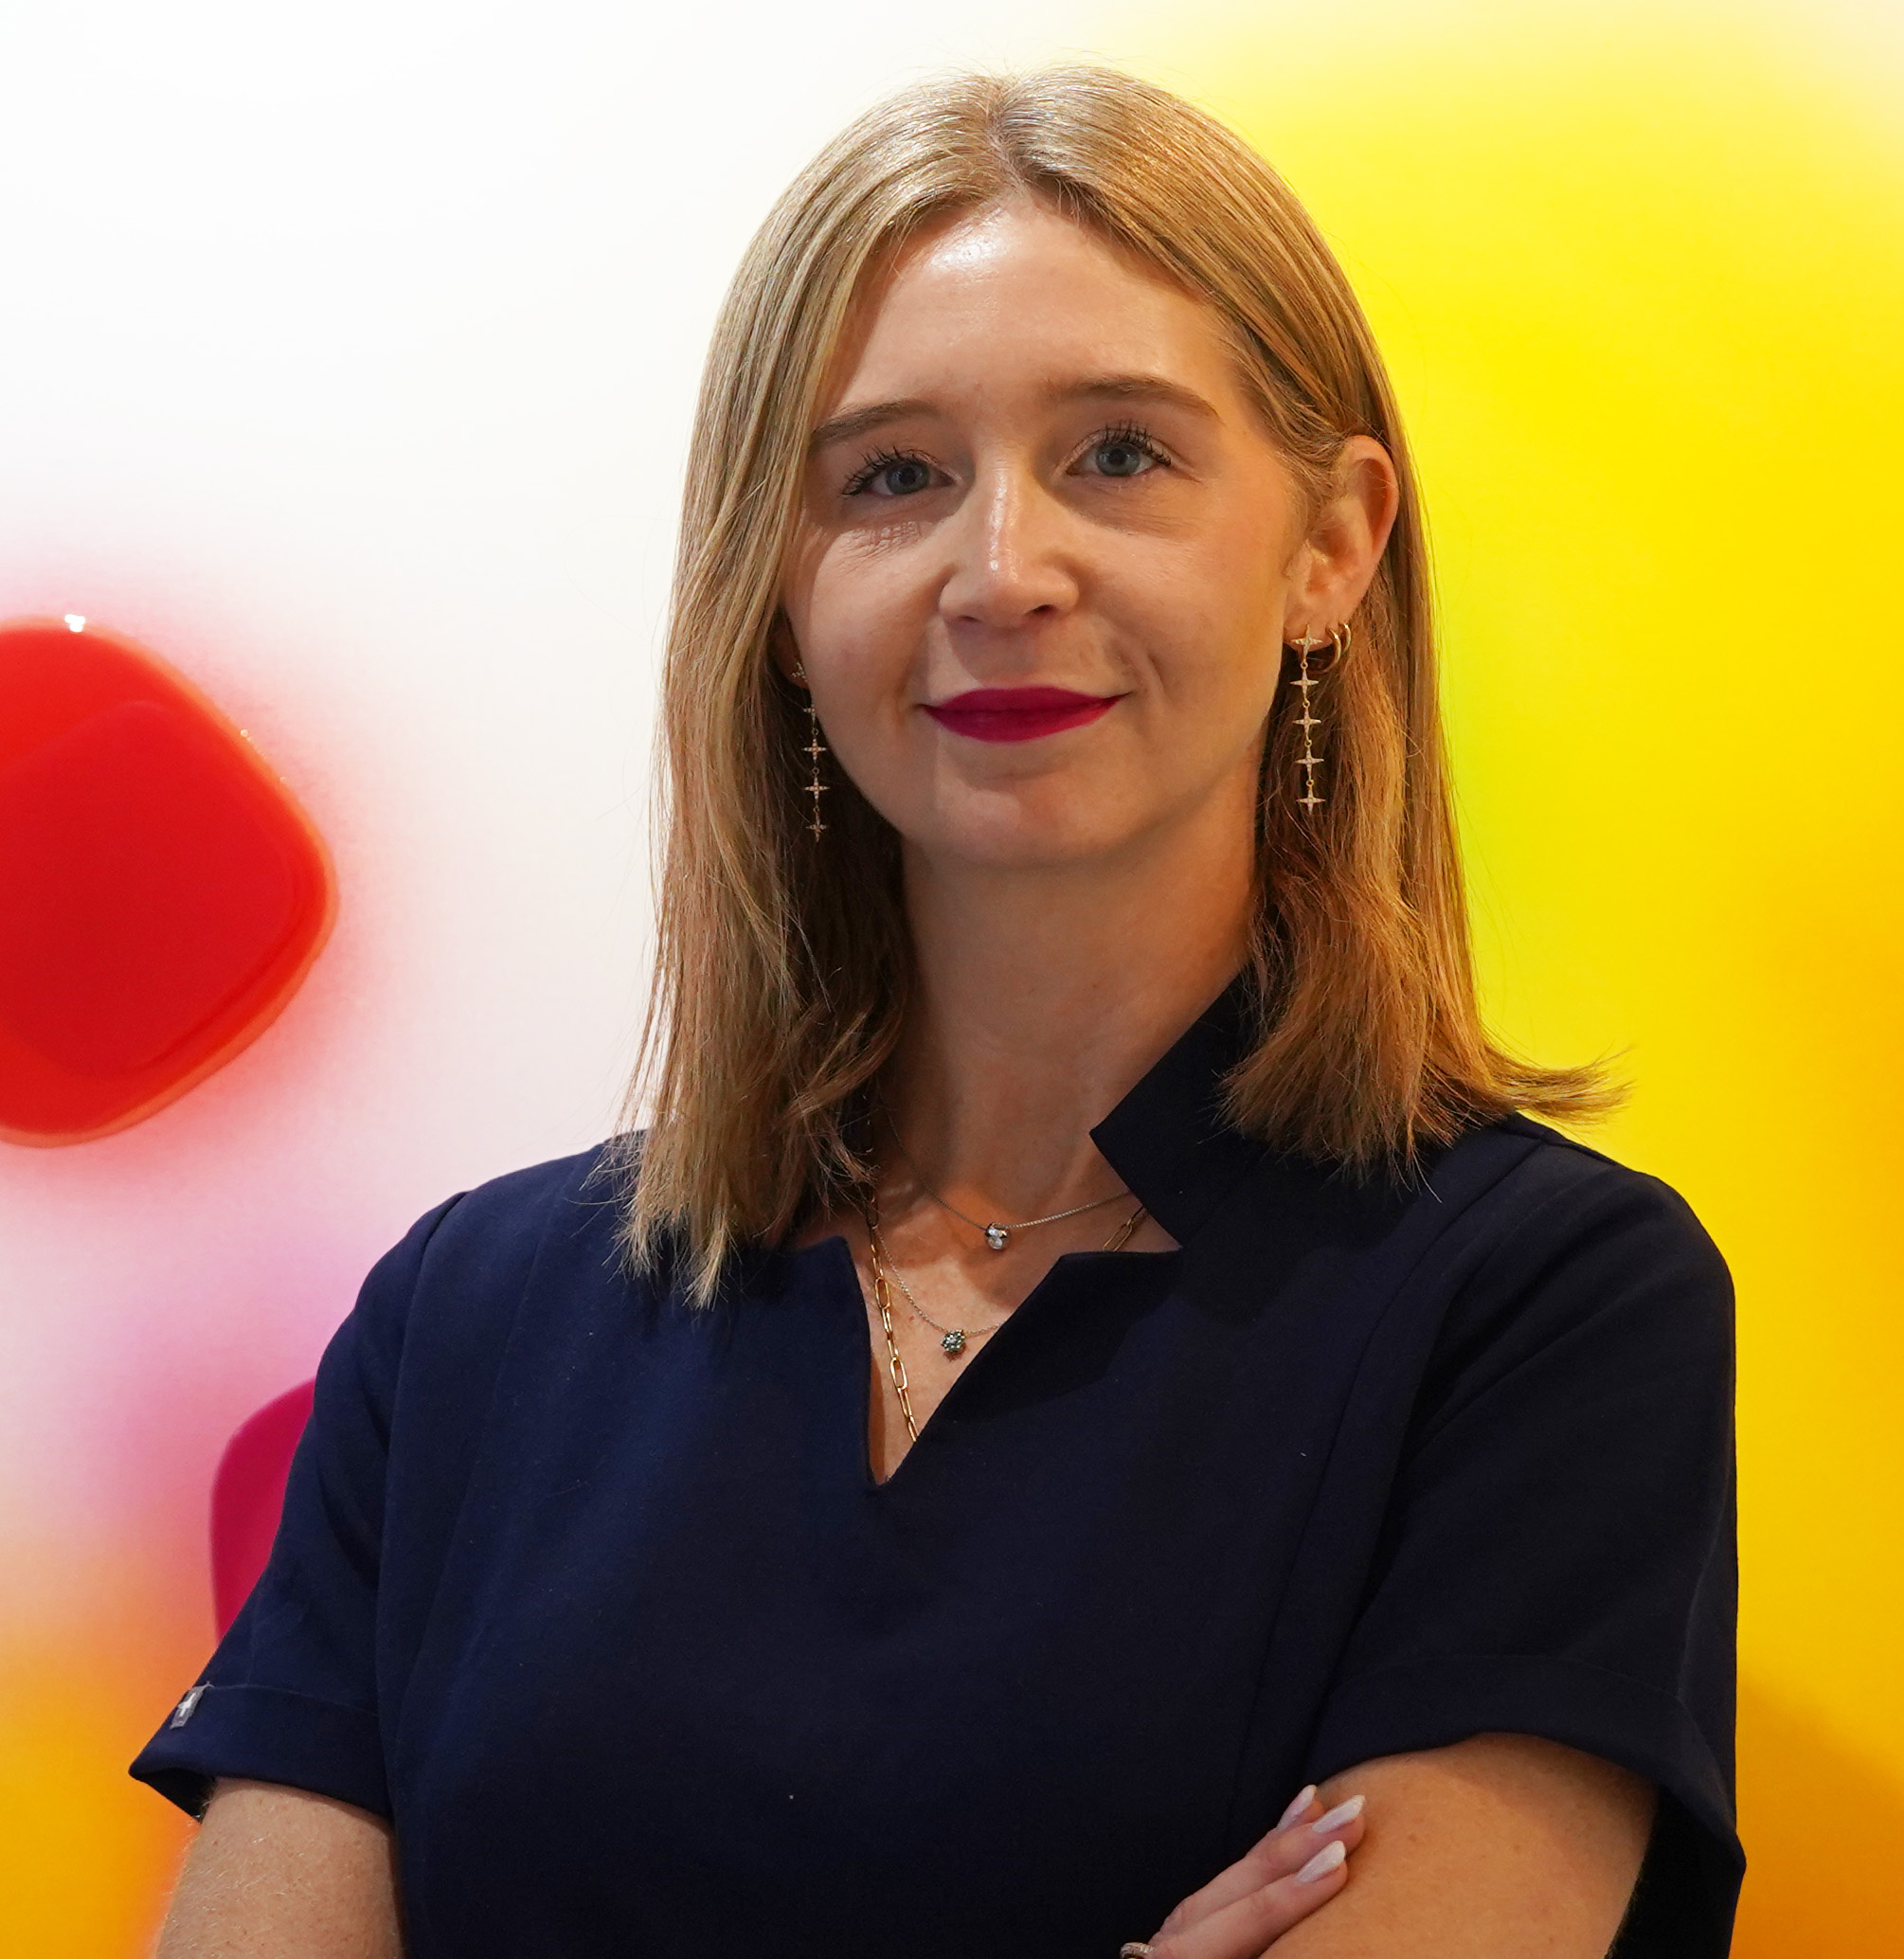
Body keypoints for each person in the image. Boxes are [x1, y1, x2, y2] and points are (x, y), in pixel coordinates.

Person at [133, 65, 1739, 1958]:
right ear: (778, 592)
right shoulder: (467, 1322)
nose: (1000, 572)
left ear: (1330, 543)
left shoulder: (1546, 1314)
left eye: (1118, 454)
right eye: (891, 477)